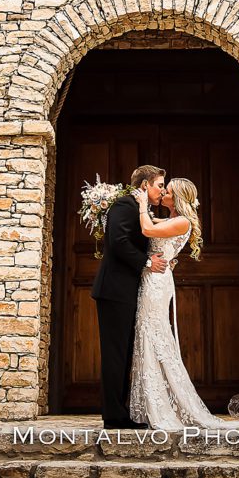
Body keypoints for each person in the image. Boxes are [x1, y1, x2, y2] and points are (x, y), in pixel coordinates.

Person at [129, 177, 239, 431]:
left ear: (178, 197)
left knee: (155, 335)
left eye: (168, 191)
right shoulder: (171, 219)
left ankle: (165, 406)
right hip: (153, 279)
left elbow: (148, 231)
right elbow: (156, 230)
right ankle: (150, 402)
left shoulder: (182, 221)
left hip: (157, 283)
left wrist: (142, 204)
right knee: (148, 335)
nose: (163, 192)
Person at [91, 164, 169, 429]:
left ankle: (120, 412)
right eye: (159, 185)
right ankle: (113, 416)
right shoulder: (125, 205)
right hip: (114, 290)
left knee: (124, 352)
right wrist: (147, 262)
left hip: (126, 290)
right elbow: (119, 241)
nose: (162, 191)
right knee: (115, 353)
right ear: (145, 185)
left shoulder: (141, 209)